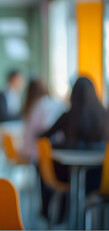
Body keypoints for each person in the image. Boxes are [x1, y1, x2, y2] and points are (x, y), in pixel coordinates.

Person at [40, 76, 108, 221]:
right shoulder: (104, 115)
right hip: (101, 177)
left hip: (72, 177)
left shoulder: (68, 116)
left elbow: (45, 136)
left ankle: (58, 217)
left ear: (73, 94)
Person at [21, 79, 64, 162]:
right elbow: (46, 126)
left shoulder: (32, 105)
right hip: (38, 152)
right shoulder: (44, 104)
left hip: (29, 150)